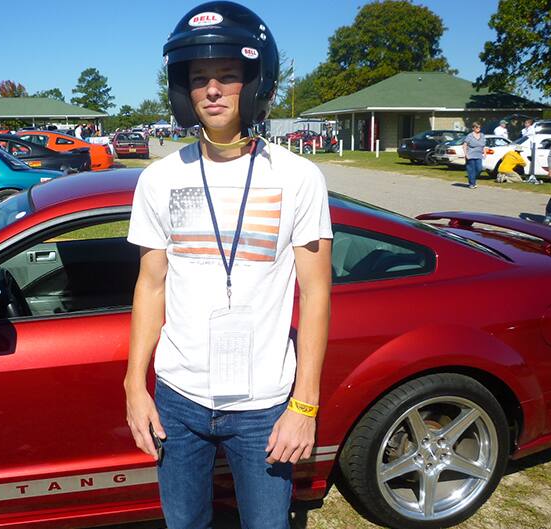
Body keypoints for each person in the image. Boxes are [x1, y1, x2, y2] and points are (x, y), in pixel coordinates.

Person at [124, 3, 332, 529]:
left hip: (264, 402)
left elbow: (317, 293)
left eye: (228, 75)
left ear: (255, 82)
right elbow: (150, 286)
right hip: (178, 400)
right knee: (184, 523)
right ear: (183, 90)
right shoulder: (159, 179)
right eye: (199, 78)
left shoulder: (297, 177)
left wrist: (303, 406)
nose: (212, 89)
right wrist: (134, 386)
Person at [463, 122, 487, 189]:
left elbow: (484, 146)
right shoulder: (470, 135)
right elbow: (464, 145)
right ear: (473, 128)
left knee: (479, 169)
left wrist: (485, 153)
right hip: (470, 155)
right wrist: (466, 154)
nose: (478, 129)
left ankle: (472, 180)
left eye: (479, 127)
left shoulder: (482, 135)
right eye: (476, 127)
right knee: (471, 170)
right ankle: (472, 183)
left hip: (479, 155)